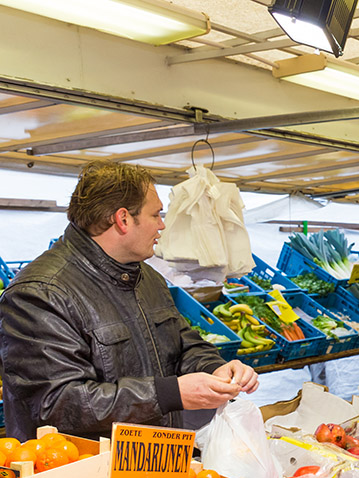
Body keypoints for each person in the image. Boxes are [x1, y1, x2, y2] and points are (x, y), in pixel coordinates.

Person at [0, 161, 258, 441]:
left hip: (152, 459)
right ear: (123, 219)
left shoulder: (147, 278)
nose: (162, 225)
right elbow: (56, 403)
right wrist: (170, 393)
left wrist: (214, 367)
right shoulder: (40, 293)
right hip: (82, 472)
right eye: (156, 215)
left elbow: (184, 345)